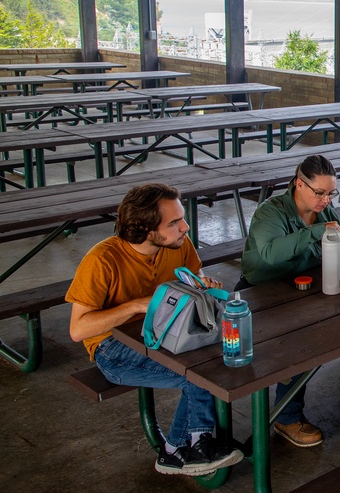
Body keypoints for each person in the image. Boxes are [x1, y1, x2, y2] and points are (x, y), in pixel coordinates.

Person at [65, 183, 243, 477]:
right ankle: (183, 448)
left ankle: (181, 448)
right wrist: (135, 306)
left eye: (182, 218)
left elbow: (194, 274)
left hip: (167, 333)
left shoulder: (177, 243)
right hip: (113, 348)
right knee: (198, 376)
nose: (185, 227)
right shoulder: (102, 259)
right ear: (147, 230)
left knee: (218, 358)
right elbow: (78, 329)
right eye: (174, 223)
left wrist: (202, 283)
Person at [237, 155, 340, 448]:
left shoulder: (323, 212)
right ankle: (287, 417)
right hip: (260, 292)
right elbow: (271, 253)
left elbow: (335, 252)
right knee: (298, 342)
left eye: (331, 193)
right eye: (319, 193)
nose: (325, 200)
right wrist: (315, 233)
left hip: (304, 288)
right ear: (299, 184)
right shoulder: (270, 211)